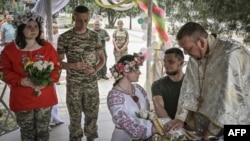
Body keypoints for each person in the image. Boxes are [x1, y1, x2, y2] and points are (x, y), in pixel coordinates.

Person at [166, 22, 250, 140]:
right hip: (205, 124)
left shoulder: (230, 55)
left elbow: (229, 100)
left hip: (236, 127)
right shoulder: (195, 57)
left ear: (201, 42)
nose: (185, 53)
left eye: (188, 48)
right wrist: (181, 117)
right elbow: (189, 88)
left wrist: (212, 130)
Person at [1, 11, 60, 140]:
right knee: (27, 133)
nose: (33, 29)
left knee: (43, 132)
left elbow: (57, 68)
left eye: (36, 26)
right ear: (21, 28)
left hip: (45, 98)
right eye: (29, 26)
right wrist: (20, 81)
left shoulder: (47, 47)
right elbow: (3, 71)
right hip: (22, 99)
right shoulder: (10, 49)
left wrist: (47, 80)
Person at [57, 5, 105, 141]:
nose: (83, 23)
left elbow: (102, 59)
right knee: (75, 117)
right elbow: (57, 63)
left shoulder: (94, 36)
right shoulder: (64, 38)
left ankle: (91, 138)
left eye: (85, 20)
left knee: (92, 116)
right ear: (73, 18)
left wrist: (95, 69)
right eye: (79, 20)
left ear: (89, 18)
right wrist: (72, 65)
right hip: (74, 85)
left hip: (91, 84)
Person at [107, 53, 160, 141]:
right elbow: (125, 122)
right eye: (136, 69)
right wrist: (152, 129)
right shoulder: (114, 96)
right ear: (125, 72)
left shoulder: (138, 88)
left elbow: (148, 111)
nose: (139, 72)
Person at [151, 48, 185, 120]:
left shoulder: (192, 84)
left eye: (171, 62)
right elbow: (158, 106)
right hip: (168, 127)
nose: (166, 65)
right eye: (165, 62)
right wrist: (171, 126)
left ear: (181, 63)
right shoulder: (157, 85)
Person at [49, 22, 64, 126]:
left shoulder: (60, 37)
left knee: (52, 95)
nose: (55, 29)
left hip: (55, 65)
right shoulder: (46, 38)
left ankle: (54, 117)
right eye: (53, 27)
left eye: (56, 27)